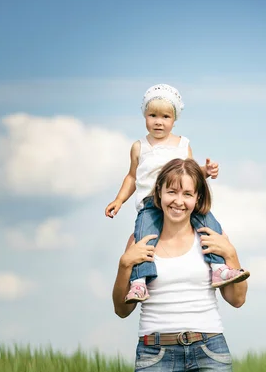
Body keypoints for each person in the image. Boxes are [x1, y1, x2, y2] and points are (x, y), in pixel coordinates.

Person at [112, 158, 248, 372]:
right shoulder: (139, 240)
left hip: (209, 351)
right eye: (172, 192)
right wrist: (124, 264)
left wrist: (231, 254)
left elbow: (236, 299)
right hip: (156, 353)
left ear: (198, 198)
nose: (179, 201)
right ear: (158, 192)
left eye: (188, 194)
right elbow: (122, 309)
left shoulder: (211, 237)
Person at [105, 83, 250, 304]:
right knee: (144, 240)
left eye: (165, 116)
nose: (158, 121)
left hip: (182, 199)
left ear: (174, 120)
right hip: (150, 203)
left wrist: (206, 171)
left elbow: (190, 172)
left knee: (210, 225)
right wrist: (119, 199)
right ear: (144, 115)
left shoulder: (182, 144)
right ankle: (138, 283)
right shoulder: (139, 147)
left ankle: (219, 267)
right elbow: (133, 176)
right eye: (152, 115)